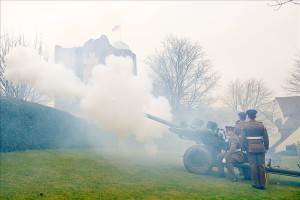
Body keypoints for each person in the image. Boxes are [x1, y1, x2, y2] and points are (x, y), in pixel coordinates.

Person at [241, 109, 269, 190]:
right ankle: (262, 184)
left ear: (248, 116)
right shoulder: (261, 125)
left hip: (250, 148)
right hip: (261, 147)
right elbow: (266, 138)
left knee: (253, 166)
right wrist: (266, 147)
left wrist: (244, 148)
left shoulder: (245, 125)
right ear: (255, 116)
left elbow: (243, 139)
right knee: (261, 166)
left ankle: (256, 184)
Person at [234, 112, 251, 179]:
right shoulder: (248, 124)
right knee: (248, 159)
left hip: (240, 143)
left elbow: (235, 134)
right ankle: (248, 174)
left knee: (240, 158)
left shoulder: (237, 125)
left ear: (239, 116)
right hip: (248, 143)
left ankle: (242, 172)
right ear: (245, 117)